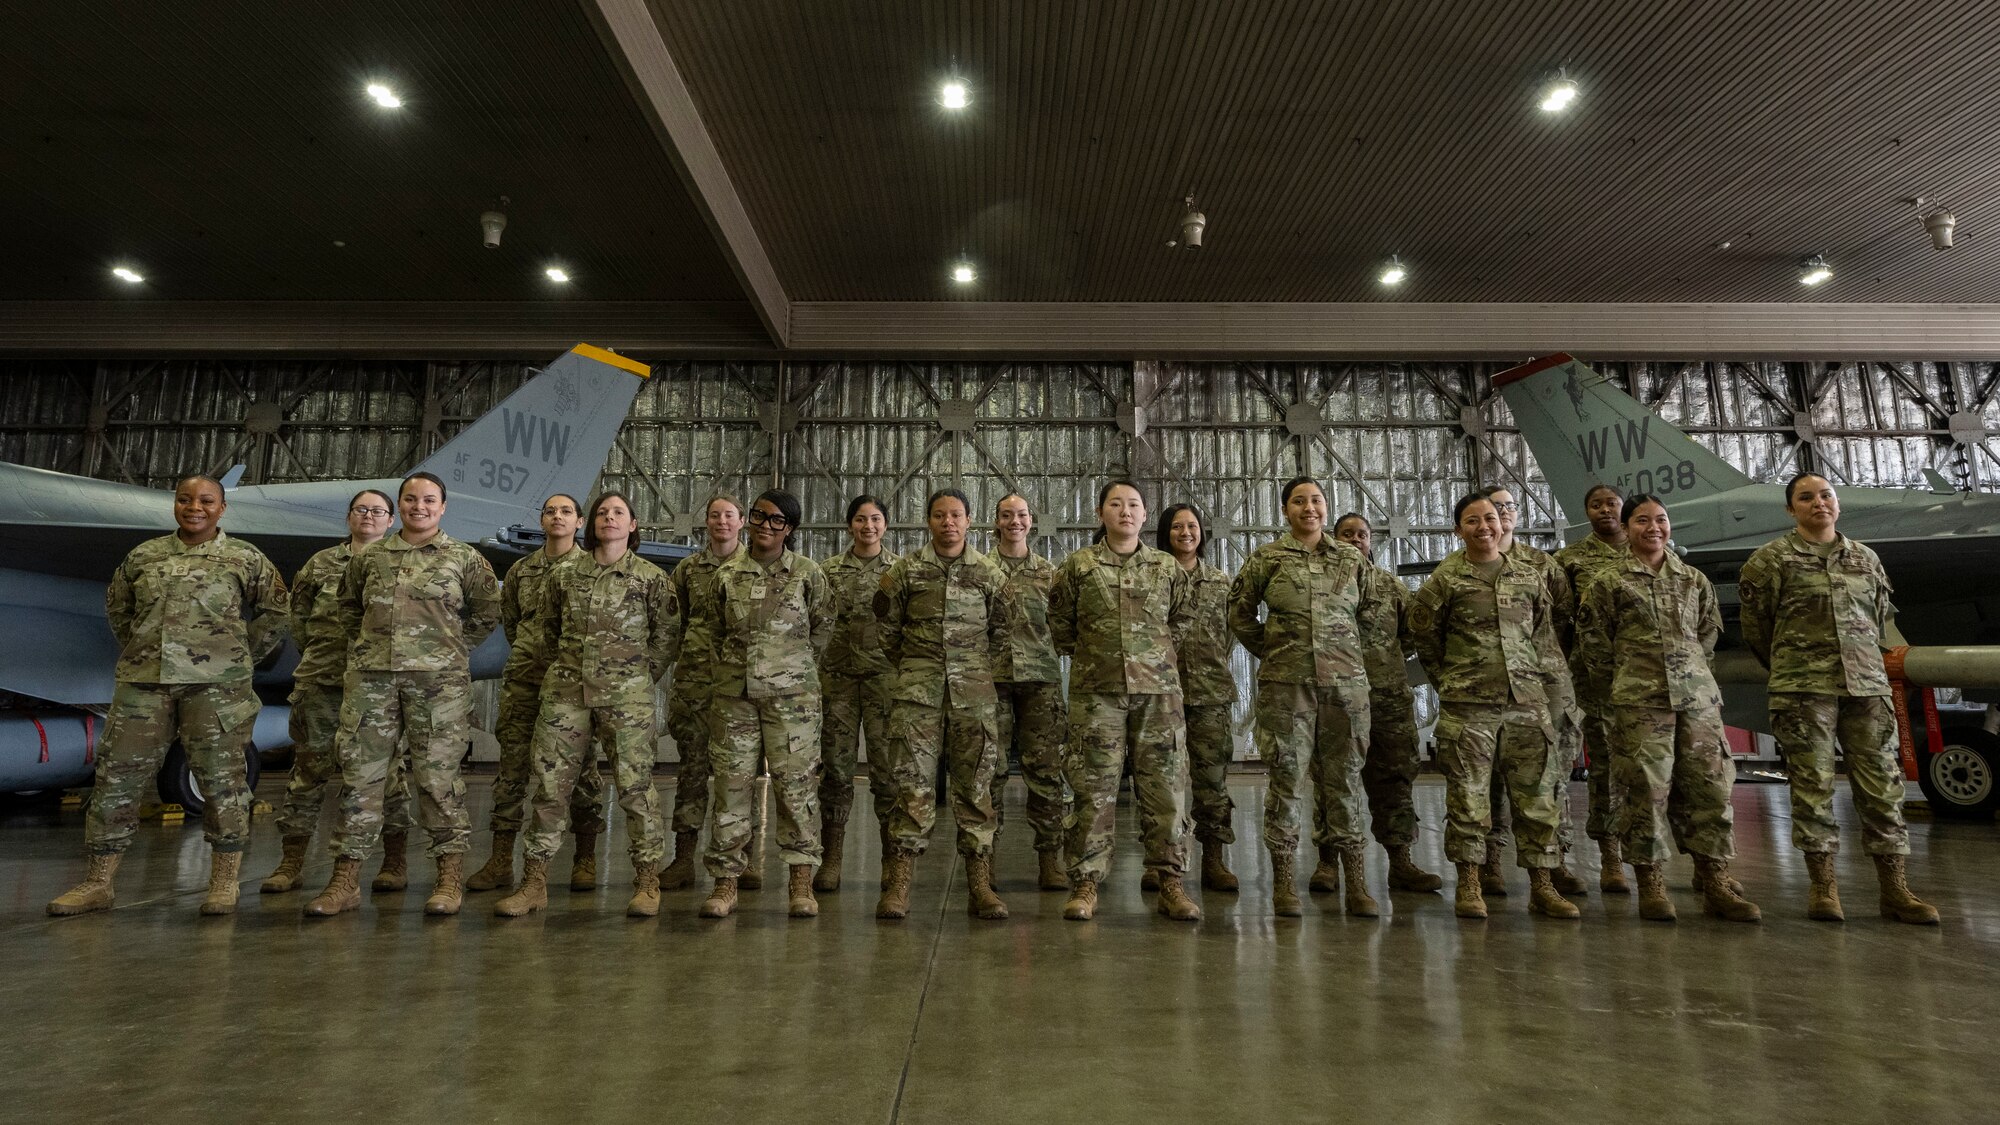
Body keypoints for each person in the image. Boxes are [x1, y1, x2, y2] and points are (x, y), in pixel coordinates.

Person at [48, 475, 288, 917]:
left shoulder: (244, 557)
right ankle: (98, 882)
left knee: (222, 782)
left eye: (206, 500)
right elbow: (119, 608)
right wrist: (142, 649)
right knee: (115, 779)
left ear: (221, 508)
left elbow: (276, 610)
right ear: (175, 504)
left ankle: (223, 881)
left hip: (216, 687)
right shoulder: (144, 556)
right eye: (184, 499)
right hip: (144, 684)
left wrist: (239, 655)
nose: (194, 507)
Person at [1738, 472, 1938, 924]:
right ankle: (1824, 888)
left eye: (1826, 495)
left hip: (1866, 689)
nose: (1818, 503)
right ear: (1791, 509)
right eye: (1806, 498)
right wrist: (1794, 665)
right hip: (1804, 691)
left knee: (1883, 789)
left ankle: (1895, 890)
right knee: (1812, 789)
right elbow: (1758, 630)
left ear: (1838, 504)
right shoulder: (1769, 561)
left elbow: (1879, 619)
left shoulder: (1865, 559)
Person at [306, 471, 502, 917]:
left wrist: (451, 649)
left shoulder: (464, 558)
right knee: (361, 779)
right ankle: (345, 880)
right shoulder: (371, 559)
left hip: (439, 688)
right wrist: (369, 647)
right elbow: (348, 606)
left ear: (443, 506)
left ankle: (448, 878)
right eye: (410, 499)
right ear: (400, 506)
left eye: (429, 500)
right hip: (373, 681)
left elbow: (488, 611)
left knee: (437, 782)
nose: (419, 507)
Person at [1574, 494, 1760, 922]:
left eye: (1661, 520)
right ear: (1627, 527)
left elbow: (1708, 634)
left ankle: (1715, 881)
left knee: (1710, 790)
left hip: (1696, 703)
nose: (1653, 528)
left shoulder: (1693, 580)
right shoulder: (1608, 582)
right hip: (1640, 705)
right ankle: (1652, 885)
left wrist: (1690, 676)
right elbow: (1594, 646)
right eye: (1642, 521)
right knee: (1645, 792)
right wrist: (1625, 685)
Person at [498, 492, 680, 918]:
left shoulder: (651, 578)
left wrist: (636, 676)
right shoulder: (563, 575)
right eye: (602, 513)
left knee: (636, 788)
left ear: (633, 525)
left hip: (627, 698)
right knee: (549, 787)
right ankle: (535, 883)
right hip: (566, 693)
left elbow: (665, 638)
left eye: (619, 513)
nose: (609, 518)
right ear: (591, 524)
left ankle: (647, 881)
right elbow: (545, 630)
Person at [1407, 493, 1579, 920]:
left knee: (1538, 797)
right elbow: (1426, 641)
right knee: (1469, 798)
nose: (1484, 526)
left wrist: (1542, 692)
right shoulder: (1444, 582)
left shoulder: (1528, 577)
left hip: (1526, 705)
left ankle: (1542, 886)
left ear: (1502, 523)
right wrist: (1453, 681)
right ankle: (1470, 882)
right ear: (1458, 529)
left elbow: (1544, 639)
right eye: (1472, 520)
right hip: (1470, 708)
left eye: (1490, 518)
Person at [1230, 479, 1380, 917]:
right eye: (1299, 501)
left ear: (1325, 507)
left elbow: (1370, 614)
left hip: (1345, 691)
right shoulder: (1267, 559)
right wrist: (1275, 651)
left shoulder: (1351, 559)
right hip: (1286, 689)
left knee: (1346, 782)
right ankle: (1284, 884)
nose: (1309, 508)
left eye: (1316, 500)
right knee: (1286, 781)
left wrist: (1348, 656)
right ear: (1285, 510)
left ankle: (1355, 882)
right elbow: (1239, 613)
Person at [1051, 480, 1200, 922]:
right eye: (1116, 504)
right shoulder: (1079, 566)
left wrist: (1151, 656)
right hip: (1097, 695)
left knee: (1165, 790)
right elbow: (1059, 622)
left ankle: (1170, 881)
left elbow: (1184, 616)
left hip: (1158, 696)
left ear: (1144, 513)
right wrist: (1096, 654)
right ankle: (1085, 883)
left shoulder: (1166, 567)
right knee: (1092, 790)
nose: (1125, 511)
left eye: (1133, 504)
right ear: (1101, 513)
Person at [259, 489, 418, 895]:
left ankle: (395, 861)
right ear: (349, 517)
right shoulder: (321, 564)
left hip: (379, 685)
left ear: (391, 519)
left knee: (387, 777)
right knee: (308, 772)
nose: (368, 516)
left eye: (378, 511)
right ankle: (291, 861)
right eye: (360, 509)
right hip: (324, 681)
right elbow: (299, 618)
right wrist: (321, 652)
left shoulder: (403, 564)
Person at [873, 488, 1013, 920]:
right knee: (911, 787)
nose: (948, 522)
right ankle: (898, 885)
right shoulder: (905, 572)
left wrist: (971, 670)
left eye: (956, 515)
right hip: (918, 695)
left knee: (975, 789)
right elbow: (886, 630)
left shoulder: (990, 575)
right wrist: (919, 669)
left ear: (969, 521)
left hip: (974, 697)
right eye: (939, 515)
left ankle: (980, 885)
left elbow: (1002, 633)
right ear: (928, 522)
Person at [699, 489, 831, 919]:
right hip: (735, 699)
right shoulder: (726, 575)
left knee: (797, 790)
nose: (764, 526)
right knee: (731, 790)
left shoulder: (808, 574)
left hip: (793, 703)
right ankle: (726, 883)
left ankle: (800, 882)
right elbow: (714, 631)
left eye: (776, 521)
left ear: (789, 530)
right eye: (758, 516)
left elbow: (822, 630)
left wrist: (789, 669)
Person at [467, 493, 607, 895]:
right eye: (550, 511)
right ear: (541, 520)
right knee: (510, 771)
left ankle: (585, 857)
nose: (557, 517)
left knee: (581, 773)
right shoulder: (521, 572)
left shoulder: (592, 570)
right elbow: (512, 624)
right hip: (525, 681)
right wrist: (532, 657)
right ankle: (499, 861)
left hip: (572, 688)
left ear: (580, 522)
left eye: (566, 511)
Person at [1476, 485, 1589, 899]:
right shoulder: (1462, 568)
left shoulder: (1542, 564)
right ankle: (1490, 861)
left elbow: (1562, 621)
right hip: (1488, 689)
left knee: (1550, 778)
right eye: (1493, 508)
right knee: (1486, 780)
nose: (1502, 514)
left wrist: (1545, 670)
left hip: (1545, 684)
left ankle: (1554, 861)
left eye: (1508, 507)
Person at [1330, 512, 1443, 894]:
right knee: (1334, 781)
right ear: (1334, 539)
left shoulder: (1391, 587)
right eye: (1347, 534)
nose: (1355, 540)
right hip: (1337, 698)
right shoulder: (1324, 586)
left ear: (1371, 542)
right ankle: (1328, 863)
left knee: (1395, 777)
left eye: (1361, 534)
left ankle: (1400, 862)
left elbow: (1412, 635)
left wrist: (1383, 660)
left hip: (1387, 698)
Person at [815, 494, 900, 893]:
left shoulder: (900, 570)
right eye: (861, 520)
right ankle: (831, 858)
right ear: (850, 525)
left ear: (886, 525)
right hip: (839, 681)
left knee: (887, 772)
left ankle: (891, 859)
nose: (869, 527)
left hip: (885, 681)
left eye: (876, 519)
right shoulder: (828, 571)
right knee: (835, 770)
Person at [660, 495, 745, 891]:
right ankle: (683, 858)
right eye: (715, 515)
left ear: (742, 521)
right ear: (706, 523)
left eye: (729, 515)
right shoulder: (688, 569)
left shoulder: (753, 567)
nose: (721, 522)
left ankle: (742, 859)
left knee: (740, 775)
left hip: (741, 687)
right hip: (695, 685)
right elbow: (671, 625)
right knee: (692, 772)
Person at [991, 493, 1073, 892]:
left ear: (1032, 521)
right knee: (987, 773)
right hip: (990, 683)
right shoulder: (981, 570)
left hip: (1040, 680)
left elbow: (1068, 622)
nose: (1015, 522)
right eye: (1007, 515)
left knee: (1046, 773)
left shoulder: (1050, 573)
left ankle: (1050, 860)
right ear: (995, 521)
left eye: (1021, 515)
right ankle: (982, 860)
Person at [1553, 483, 1633, 894]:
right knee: (1602, 770)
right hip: (1592, 681)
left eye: (1611, 504)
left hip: (1647, 682)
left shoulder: (1651, 551)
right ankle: (1610, 858)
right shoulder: (1570, 560)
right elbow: (1558, 623)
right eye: (1595, 505)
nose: (1604, 511)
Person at [1158, 502, 1239, 893]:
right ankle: (1161, 861)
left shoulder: (1220, 582)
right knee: (1159, 783)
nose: (1185, 533)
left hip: (1209, 694)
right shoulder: (1154, 575)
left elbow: (1233, 631)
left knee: (1211, 781)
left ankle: (1214, 860)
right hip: (1160, 694)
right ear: (1164, 533)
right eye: (1176, 527)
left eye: (1192, 526)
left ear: (1202, 533)